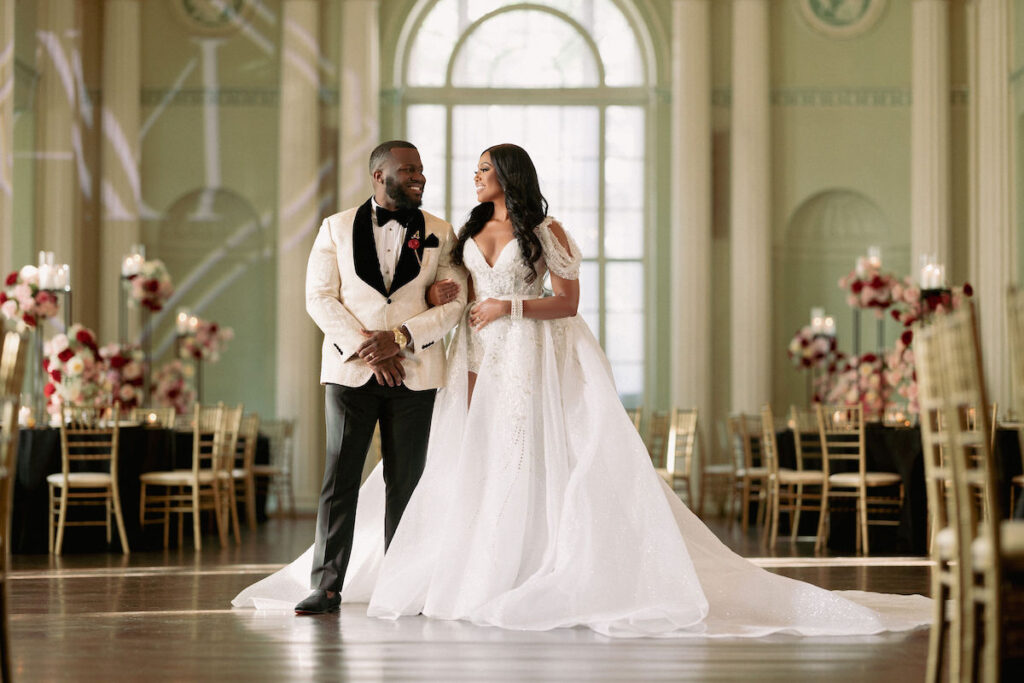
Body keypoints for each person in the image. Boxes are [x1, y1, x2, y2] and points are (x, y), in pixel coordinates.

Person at [236, 144, 930, 638]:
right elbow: (447, 294)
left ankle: (536, 570)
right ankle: (377, 579)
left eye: (479, 170)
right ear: (383, 175)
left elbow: (565, 303)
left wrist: (489, 310)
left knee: (516, 467)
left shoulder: (542, 231)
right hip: (465, 365)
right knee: (433, 474)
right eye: (442, 171)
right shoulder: (465, 232)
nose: (463, 178)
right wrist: (443, 342)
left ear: (506, 176)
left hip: (527, 357)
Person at [292, 140, 466, 615]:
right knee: (339, 478)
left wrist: (402, 337)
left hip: (416, 372)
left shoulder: (440, 231)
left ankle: (402, 586)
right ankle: (326, 585)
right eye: (408, 170)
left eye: (422, 171)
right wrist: (370, 347)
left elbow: (456, 301)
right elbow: (320, 297)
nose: (420, 178)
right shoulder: (334, 228)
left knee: (406, 482)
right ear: (378, 175)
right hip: (351, 370)